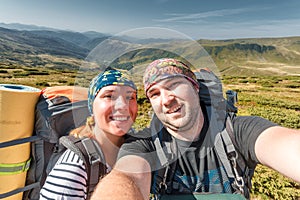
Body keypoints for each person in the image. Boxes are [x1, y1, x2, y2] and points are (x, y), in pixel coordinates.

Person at [91, 58, 300, 200]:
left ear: (195, 87)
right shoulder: (144, 145)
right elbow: (127, 177)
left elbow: (281, 145)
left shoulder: (237, 132)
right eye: (154, 93)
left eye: (173, 84)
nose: (166, 99)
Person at [39, 67, 138, 199]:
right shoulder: (73, 166)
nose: (123, 105)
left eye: (130, 97)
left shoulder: (136, 148)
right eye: (109, 96)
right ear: (92, 105)